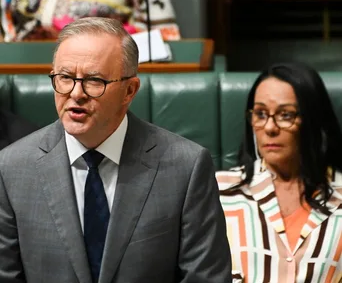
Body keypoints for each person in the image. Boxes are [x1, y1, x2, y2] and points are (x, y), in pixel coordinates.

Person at [0, 17, 232, 283]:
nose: (76, 93)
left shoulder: (185, 167)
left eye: (94, 81)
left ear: (129, 91)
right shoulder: (11, 169)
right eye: (65, 77)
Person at [216, 62, 342, 282]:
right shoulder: (219, 192)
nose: (270, 128)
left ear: (312, 120)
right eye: (260, 114)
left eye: (285, 115)